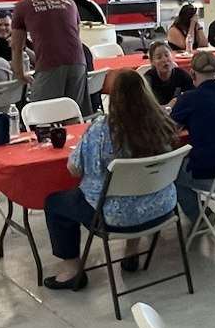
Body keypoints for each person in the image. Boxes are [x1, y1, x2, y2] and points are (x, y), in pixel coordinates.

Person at [41, 70, 178, 291]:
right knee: (135, 190)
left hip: (113, 217)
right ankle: (131, 253)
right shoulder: (163, 124)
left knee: (55, 203)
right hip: (161, 208)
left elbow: (74, 170)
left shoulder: (101, 130)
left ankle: (72, 271)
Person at [168, 49, 215, 222]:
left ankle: (200, 218)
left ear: (192, 73)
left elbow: (169, 129)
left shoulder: (189, 99)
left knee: (173, 173)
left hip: (210, 176)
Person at [11, 0, 85, 109]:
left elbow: (16, 45)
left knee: (41, 112)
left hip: (49, 63)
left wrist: (20, 73)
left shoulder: (22, 6)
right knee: (72, 112)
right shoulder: (70, 2)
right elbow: (77, 33)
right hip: (78, 62)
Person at [141, 40, 195, 107]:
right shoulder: (148, 80)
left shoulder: (182, 76)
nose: (164, 60)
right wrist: (168, 106)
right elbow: (145, 107)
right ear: (152, 62)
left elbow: (193, 98)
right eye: (159, 57)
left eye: (167, 55)